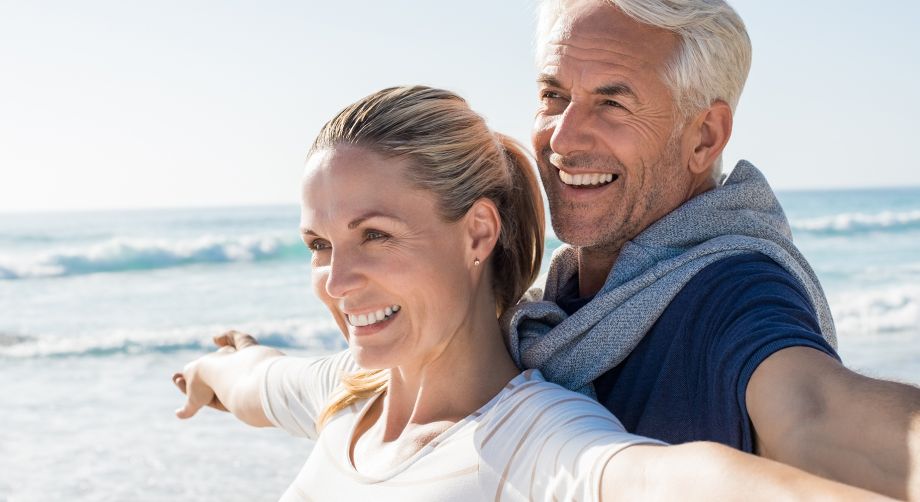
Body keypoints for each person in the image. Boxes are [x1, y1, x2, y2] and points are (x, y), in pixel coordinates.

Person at [173, 86, 885, 501]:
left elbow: (677, 479)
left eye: (377, 236)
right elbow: (255, 379)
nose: (336, 281)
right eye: (319, 245)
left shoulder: (535, 438)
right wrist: (214, 367)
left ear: (478, 232)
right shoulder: (347, 390)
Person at [502, 0, 919, 500]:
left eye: (613, 103)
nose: (563, 138)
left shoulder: (734, 291)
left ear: (704, 136)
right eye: (554, 95)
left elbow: (816, 408)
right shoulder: (552, 303)